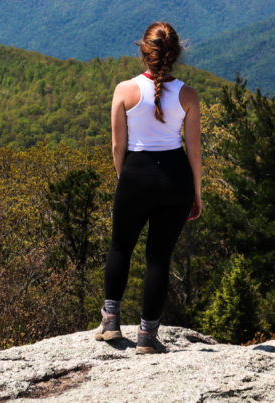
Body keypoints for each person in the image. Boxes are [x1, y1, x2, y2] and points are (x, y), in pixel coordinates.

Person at [95, 21, 203, 354]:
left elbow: (117, 145)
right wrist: (196, 193)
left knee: (120, 248)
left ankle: (110, 322)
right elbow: (194, 149)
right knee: (158, 259)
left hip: (135, 175)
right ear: (175, 54)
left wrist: (123, 178)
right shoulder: (188, 94)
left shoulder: (123, 90)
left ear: (144, 50)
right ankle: (147, 336)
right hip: (175, 179)